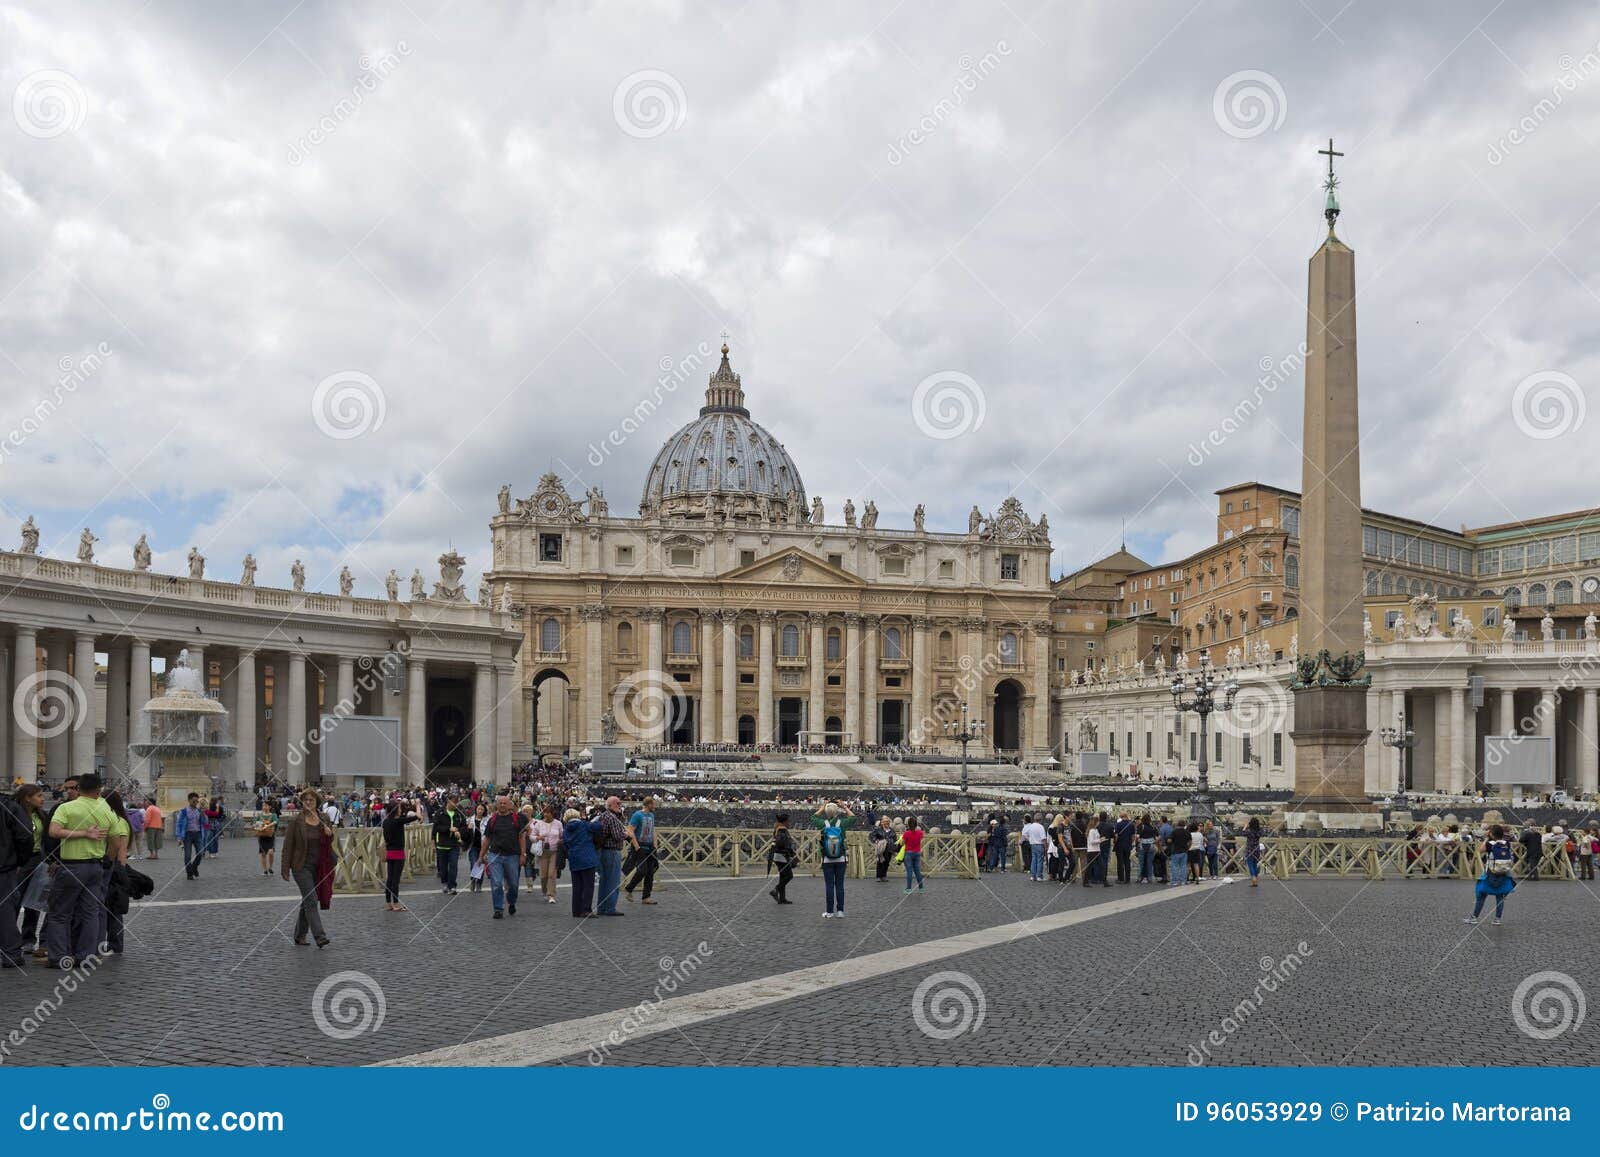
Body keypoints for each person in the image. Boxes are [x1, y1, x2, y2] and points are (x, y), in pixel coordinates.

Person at [44, 772, 116, 969]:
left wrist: (83, 833)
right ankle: (86, 956)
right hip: (96, 867)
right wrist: (106, 858)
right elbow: (116, 838)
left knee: (59, 914)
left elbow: (54, 832)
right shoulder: (106, 810)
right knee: (90, 913)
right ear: (98, 789)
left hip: (72, 866)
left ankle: (59, 957)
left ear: (78, 788)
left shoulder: (67, 808)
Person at [281, 789, 335, 947]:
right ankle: (320, 936)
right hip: (301, 866)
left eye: (311, 800)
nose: (309, 802)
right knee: (311, 899)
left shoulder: (324, 818)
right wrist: (285, 868)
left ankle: (299, 935)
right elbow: (288, 846)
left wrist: (330, 833)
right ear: (302, 802)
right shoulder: (296, 821)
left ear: (317, 801)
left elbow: (329, 840)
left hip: (319, 866)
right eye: (306, 800)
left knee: (308, 900)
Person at [0, 785, 40, 969]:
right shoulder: (10, 807)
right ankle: (11, 954)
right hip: (5, 867)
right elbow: (25, 836)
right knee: (6, 910)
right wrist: (20, 861)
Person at [480, 794, 528, 919]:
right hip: (495, 855)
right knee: (496, 883)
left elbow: (522, 837)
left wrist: (523, 854)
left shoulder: (517, 819)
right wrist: (481, 856)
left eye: (504, 803)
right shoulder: (492, 820)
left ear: (509, 805)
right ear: (497, 805)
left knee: (513, 884)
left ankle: (511, 901)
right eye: (500, 803)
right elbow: (487, 839)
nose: (502, 805)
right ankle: (498, 909)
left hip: (512, 856)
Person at [99, 790, 132, 954]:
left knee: (112, 907)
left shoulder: (117, 821)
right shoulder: (120, 820)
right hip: (116, 866)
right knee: (111, 907)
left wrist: (114, 868)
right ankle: (114, 942)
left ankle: (115, 943)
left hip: (114, 867)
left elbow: (121, 847)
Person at [1464, 824, 1517, 925]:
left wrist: (1487, 838)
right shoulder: (1507, 843)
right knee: (1500, 896)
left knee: (1481, 894)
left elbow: (1480, 850)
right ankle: (1497, 919)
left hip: (1490, 872)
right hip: (1504, 872)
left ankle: (1474, 917)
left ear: (1492, 834)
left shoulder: (1490, 844)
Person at [812, 801, 854, 917]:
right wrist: (844, 807)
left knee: (829, 886)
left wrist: (822, 807)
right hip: (841, 858)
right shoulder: (842, 823)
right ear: (837, 811)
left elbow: (813, 817)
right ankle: (840, 911)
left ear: (826, 812)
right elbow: (853, 818)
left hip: (827, 859)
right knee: (840, 885)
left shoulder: (823, 824)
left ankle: (829, 912)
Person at [594, 796, 633, 916]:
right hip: (612, 852)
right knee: (613, 881)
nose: (619, 805)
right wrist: (626, 835)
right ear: (610, 805)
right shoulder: (612, 818)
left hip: (603, 851)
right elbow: (617, 836)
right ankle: (610, 908)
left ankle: (601, 907)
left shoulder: (603, 816)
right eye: (617, 803)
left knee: (604, 881)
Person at [562, 807, 601, 917]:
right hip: (587, 858)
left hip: (574, 859)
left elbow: (565, 845)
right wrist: (593, 819)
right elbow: (598, 826)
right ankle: (586, 909)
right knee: (588, 885)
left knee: (577, 886)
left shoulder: (565, 830)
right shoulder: (584, 824)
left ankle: (576, 910)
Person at [623, 796, 659, 905]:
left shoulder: (652, 815)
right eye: (654, 804)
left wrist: (655, 846)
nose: (655, 806)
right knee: (642, 870)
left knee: (650, 872)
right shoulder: (637, 815)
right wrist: (637, 847)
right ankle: (629, 889)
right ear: (648, 804)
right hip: (639, 846)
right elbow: (630, 831)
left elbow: (652, 831)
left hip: (649, 847)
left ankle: (646, 897)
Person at [431, 795, 471, 895]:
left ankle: (452, 886)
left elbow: (464, 827)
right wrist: (448, 829)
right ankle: (445, 883)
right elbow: (436, 828)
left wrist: (459, 832)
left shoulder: (459, 814)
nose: (455, 805)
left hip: (454, 844)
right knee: (443, 867)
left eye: (456, 803)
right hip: (442, 844)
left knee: (454, 866)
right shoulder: (440, 813)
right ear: (448, 802)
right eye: (453, 802)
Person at [381, 799, 416, 912]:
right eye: (400, 808)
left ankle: (388, 903)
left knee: (389, 879)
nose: (401, 810)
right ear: (396, 810)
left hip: (389, 852)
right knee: (396, 880)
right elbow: (417, 817)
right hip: (398, 853)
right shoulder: (399, 821)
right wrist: (418, 805)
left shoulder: (385, 822)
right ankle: (396, 903)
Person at [530, 805, 563, 903]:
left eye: (548, 812)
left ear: (552, 813)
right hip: (542, 852)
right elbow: (531, 836)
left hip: (554, 851)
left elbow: (562, 835)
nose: (546, 814)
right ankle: (544, 891)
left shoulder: (558, 823)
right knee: (543, 875)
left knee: (551, 874)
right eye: (545, 812)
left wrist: (560, 841)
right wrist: (537, 838)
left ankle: (551, 895)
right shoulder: (538, 824)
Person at [767, 813, 797, 904]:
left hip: (778, 855)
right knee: (789, 876)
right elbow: (781, 843)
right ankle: (775, 890)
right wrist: (790, 852)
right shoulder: (782, 830)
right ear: (785, 821)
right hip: (782, 856)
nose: (789, 823)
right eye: (788, 821)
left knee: (783, 876)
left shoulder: (778, 828)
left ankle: (782, 898)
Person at [175, 792, 205, 880]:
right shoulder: (183, 811)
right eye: (194, 801)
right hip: (187, 834)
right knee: (188, 855)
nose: (196, 803)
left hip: (198, 834)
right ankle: (189, 874)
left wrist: (209, 826)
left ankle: (194, 867)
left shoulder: (199, 811)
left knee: (200, 853)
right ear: (189, 800)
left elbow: (205, 824)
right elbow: (179, 824)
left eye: (197, 801)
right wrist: (179, 837)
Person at [465, 803, 489, 892]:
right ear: (475, 809)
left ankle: (479, 884)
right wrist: (468, 828)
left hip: (483, 846)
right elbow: (465, 834)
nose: (480, 811)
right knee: (473, 863)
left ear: (484, 811)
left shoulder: (487, 820)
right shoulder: (470, 820)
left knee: (480, 864)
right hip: (473, 846)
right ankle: (473, 880)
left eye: (482, 809)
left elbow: (489, 833)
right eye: (478, 809)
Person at [901, 815, 926, 893]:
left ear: (908, 824)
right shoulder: (920, 833)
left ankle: (908, 889)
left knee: (909, 871)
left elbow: (902, 843)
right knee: (917, 871)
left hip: (908, 853)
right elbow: (921, 837)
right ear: (916, 825)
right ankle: (921, 888)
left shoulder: (906, 833)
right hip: (917, 853)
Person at [1020, 813, 1047, 882]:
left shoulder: (1031, 826)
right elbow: (1043, 838)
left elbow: (1025, 835)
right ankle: (1039, 876)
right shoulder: (1040, 827)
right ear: (1041, 819)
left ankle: (1032, 876)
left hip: (1032, 844)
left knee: (1033, 860)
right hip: (1039, 844)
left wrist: (1030, 839)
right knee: (1039, 861)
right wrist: (1045, 847)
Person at [870, 816, 897, 882]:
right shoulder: (878, 829)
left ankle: (884, 876)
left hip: (889, 848)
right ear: (881, 823)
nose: (886, 823)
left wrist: (895, 846)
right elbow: (871, 836)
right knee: (880, 862)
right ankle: (879, 876)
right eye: (885, 822)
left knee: (887, 862)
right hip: (881, 848)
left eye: (887, 822)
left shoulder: (892, 830)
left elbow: (895, 838)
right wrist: (876, 840)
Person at [254, 803, 278, 875]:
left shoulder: (273, 815)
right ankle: (265, 870)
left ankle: (270, 867)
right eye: (263, 806)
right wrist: (255, 826)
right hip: (262, 836)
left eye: (266, 806)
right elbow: (256, 823)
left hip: (270, 836)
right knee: (263, 853)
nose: (264, 807)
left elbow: (275, 821)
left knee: (271, 852)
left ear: (269, 807)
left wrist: (267, 825)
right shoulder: (259, 815)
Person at [1166, 820, 1191, 888]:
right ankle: (1183, 881)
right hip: (1184, 851)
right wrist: (1187, 848)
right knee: (1183, 866)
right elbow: (1190, 842)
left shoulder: (1174, 831)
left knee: (1174, 866)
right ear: (1184, 825)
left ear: (1178, 824)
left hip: (1175, 851)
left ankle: (1175, 881)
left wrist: (1168, 840)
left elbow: (1169, 840)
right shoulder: (1187, 832)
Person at [1113, 812, 1136, 884]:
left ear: (1121, 817)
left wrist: (1115, 842)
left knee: (1120, 862)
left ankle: (1121, 878)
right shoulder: (1131, 824)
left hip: (1119, 845)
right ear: (1127, 816)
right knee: (1127, 861)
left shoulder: (1118, 824)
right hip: (1128, 845)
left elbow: (1116, 836)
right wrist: (1130, 843)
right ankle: (1128, 878)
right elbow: (1133, 836)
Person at [1136, 814, 1158, 884]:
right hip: (1151, 845)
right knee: (1149, 863)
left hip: (1142, 845)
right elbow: (1156, 838)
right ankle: (1150, 878)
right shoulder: (1153, 827)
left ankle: (1139, 878)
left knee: (1141, 863)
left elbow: (1137, 836)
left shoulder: (1141, 826)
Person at [1244, 817, 1264, 887]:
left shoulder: (1249, 831)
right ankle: (1255, 881)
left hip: (1249, 849)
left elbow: (1243, 833)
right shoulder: (1259, 831)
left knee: (1250, 865)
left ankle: (1253, 878)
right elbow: (1262, 833)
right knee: (1255, 865)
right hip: (1257, 849)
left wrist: (1245, 826)